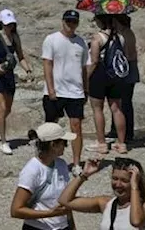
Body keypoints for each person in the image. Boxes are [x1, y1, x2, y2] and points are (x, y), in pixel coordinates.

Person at [43, 9, 91, 172]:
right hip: (56, 90)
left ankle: (76, 163)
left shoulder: (81, 42)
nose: (71, 25)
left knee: (76, 126)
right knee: (51, 127)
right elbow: (47, 64)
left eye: (74, 22)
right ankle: (48, 159)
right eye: (68, 21)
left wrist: (86, 89)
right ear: (63, 21)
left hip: (75, 91)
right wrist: (51, 89)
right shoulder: (52, 39)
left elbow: (84, 67)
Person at [0, 9, 33, 155]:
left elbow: (20, 56)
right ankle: (4, 142)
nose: (9, 26)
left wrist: (28, 69)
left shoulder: (15, 37)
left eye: (11, 24)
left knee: (8, 109)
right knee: (3, 108)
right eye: (7, 24)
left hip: (9, 76)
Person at [86, 14, 138, 156]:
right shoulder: (120, 36)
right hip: (115, 75)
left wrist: (85, 77)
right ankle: (121, 144)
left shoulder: (97, 37)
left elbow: (94, 60)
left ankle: (102, 143)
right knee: (117, 109)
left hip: (100, 75)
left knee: (98, 109)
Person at [56, 157, 145, 229]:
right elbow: (65, 200)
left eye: (124, 181)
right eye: (115, 178)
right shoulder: (106, 203)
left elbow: (136, 221)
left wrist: (135, 186)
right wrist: (84, 175)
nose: (118, 184)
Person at [10, 123, 75, 230]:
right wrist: (50, 214)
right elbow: (16, 210)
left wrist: (72, 226)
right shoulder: (32, 170)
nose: (66, 146)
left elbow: (65, 202)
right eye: (64, 142)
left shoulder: (61, 164)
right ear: (53, 145)